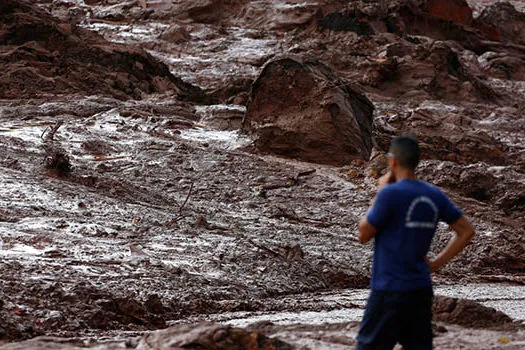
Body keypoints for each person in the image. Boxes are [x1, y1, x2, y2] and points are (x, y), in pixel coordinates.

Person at [356, 135, 475, 350]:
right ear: (416, 162)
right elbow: (466, 231)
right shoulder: (434, 194)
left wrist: (379, 193)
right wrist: (436, 265)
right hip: (420, 289)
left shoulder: (389, 194)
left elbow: (363, 234)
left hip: (388, 289)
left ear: (393, 162)